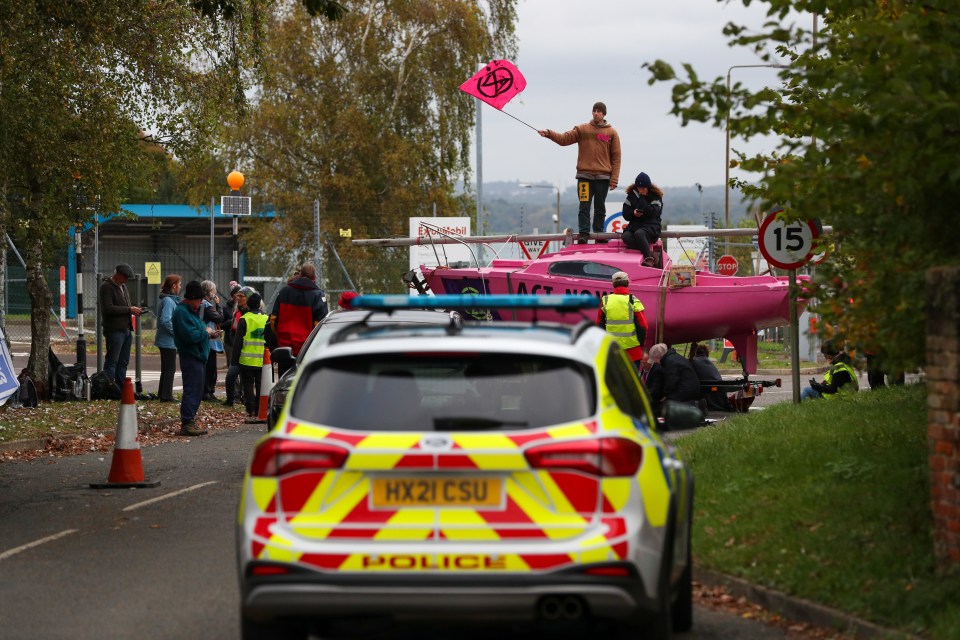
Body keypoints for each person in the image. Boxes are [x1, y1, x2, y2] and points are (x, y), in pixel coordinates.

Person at [538, 101, 621, 244]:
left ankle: (599, 234)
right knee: (584, 205)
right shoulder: (582, 129)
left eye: (599, 111)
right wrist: (549, 134)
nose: (596, 113)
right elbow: (564, 139)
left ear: (604, 114)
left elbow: (616, 157)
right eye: (594, 111)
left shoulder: (611, 133)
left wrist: (614, 179)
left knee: (600, 207)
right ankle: (584, 233)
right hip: (584, 176)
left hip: (603, 177)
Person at [173, 281, 216, 436]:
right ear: (191, 298)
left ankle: (190, 420)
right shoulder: (182, 312)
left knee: (197, 389)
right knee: (192, 389)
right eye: (199, 300)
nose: (200, 303)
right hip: (191, 355)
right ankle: (187, 422)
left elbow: (197, 330)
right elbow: (190, 335)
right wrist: (207, 333)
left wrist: (207, 333)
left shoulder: (191, 311)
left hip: (198, 355)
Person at [269, 262, 328, 377]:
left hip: (284, 349)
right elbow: (320, 325)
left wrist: (279, 336)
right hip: (306, 349)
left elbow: (273, 319)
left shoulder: (284, 291)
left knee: (284, 382)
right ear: (315, 278)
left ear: (300, 275)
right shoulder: (318, 295)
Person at [99, 263, 143, 390]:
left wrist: (133, 310)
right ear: (117, 275)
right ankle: (108, 388)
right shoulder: (106, 287)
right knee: (112, 361)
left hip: (126, 329)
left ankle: (120, 388)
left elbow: (125, 307)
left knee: (123, 362)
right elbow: (108, 309)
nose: (126, 280)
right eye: (125, 277)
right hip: (114, 330)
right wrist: (129, 309)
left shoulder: (123, 286)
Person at [597, 271, 647, 369]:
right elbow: (643, 326)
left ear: (613, 284)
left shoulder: (605, 300)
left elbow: (599, 325)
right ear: (627, 283)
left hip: (612, 350)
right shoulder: (633, 300)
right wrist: (640, 344)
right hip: (633, 353)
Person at [234, 290, 268, 422]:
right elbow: (270, 339)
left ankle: (250, 409)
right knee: (260, 384)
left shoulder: (244, 319)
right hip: (262, 360)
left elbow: (238, 342)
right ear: (259, 304)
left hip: (246, 359)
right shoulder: (266, 318)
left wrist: (234, 361)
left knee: (247, 384)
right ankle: (260, 408)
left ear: (248, 304)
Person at [621, 172, 664, 267]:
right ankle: (650, 253)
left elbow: (654, 212)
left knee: (639, 234)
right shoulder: (631, 196)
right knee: (626, 237)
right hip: (635, 225)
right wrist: (634, 213)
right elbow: (625, 214)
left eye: (643, 188)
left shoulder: (656, 197)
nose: (641, 190)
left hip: (652, 226)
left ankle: (649, 259)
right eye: (639, 188)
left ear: (648, 187)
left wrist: (642, 199)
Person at [154, 274, 182, 402]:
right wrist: (177, 333)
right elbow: (166, 320)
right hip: (168, 341)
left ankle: (163, 394)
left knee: (166, 368)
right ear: (174, 286)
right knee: (170, 368)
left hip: (166, 340)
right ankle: (166, 396)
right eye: (179, 284)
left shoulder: (169, 300)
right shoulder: (168, 301)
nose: (180, 287)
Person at [199, 280, 225, 401]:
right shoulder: (207, 305)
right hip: (210, 341)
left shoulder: (201, 303)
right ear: (209, 291)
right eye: (213, 290)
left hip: (206, 339)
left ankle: (208, 391)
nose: (215, 292)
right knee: (210, 367)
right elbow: (219, 317)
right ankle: (207, 392)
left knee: (209, 367)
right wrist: (218, 304)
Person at [689, 343, 733, 412]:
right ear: (707, 353)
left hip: (708, 400)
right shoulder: (709, 363)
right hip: (719, 399)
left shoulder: (693, 362)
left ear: (695, 353)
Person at [640, 348, 666, 417]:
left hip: (654, 404)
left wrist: (641, 395)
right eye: (641, 362)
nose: (643, 365)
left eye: (645, 363)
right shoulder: (645, 368)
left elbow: (655, 391)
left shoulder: (657, 371)